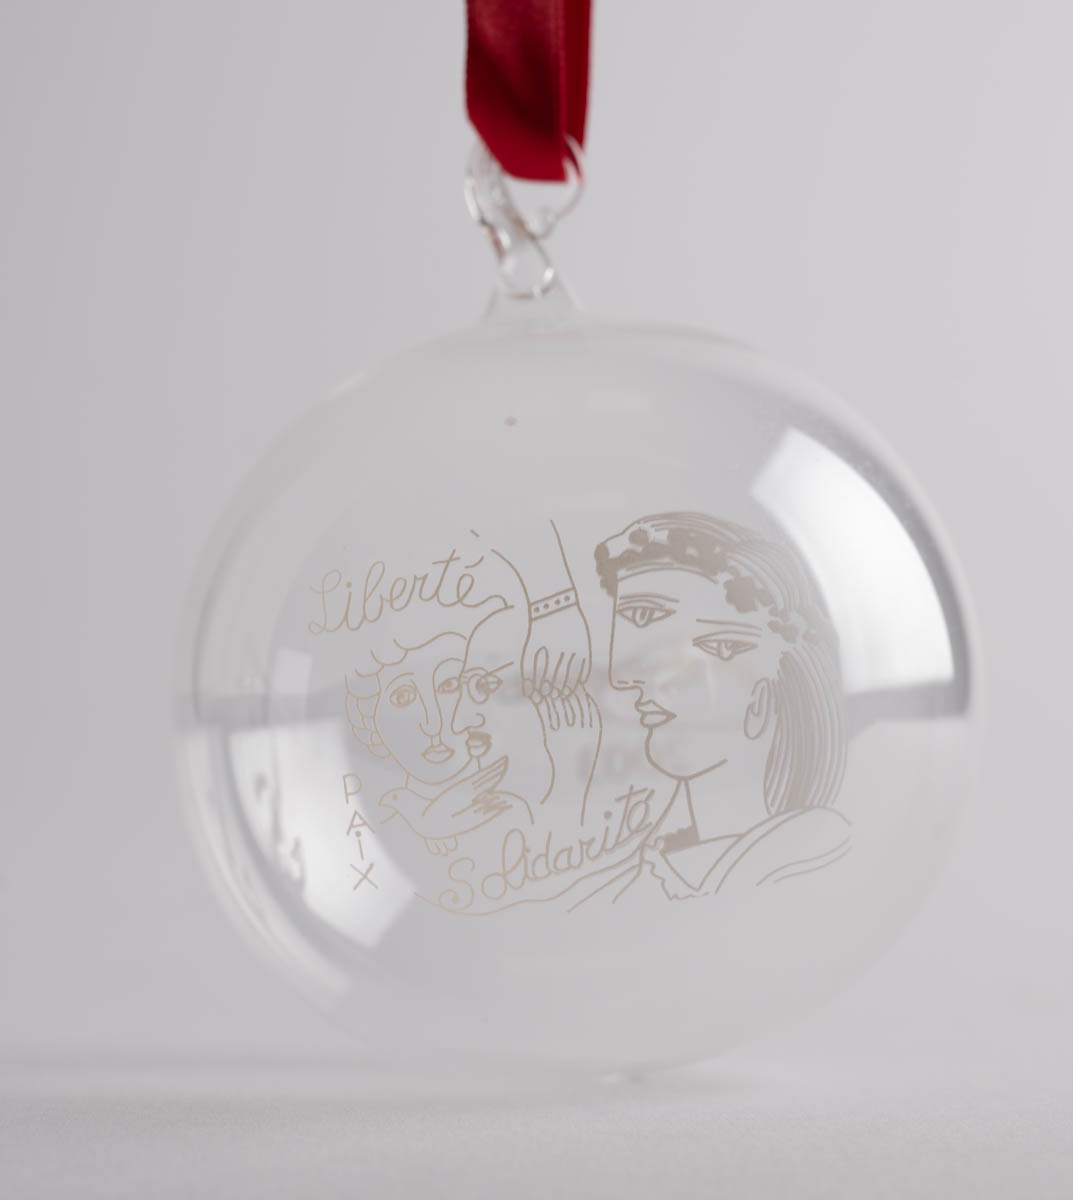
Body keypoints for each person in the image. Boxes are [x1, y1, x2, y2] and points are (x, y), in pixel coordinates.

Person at [572, 511, 850, 905]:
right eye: (633, 617)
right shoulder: (653, 875)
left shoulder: (804, 867)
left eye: (645, 614)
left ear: (762, 696)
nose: (621, 677)